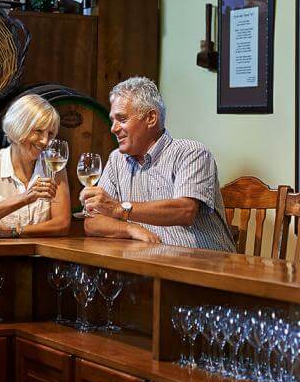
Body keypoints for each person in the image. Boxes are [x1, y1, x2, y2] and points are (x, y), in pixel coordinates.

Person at [80, 76, 236, 252]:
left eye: (122, 119)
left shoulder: (192, 152)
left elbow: (185, 211)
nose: (113, 128)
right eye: (113, 120)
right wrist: (130, 228)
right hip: (148, 266)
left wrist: (118, 208)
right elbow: (93, 222)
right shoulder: (116, 159)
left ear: (151, 118)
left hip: (203, 267)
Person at [0, 94, 70, 239]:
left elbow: (62, 225)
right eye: (38, 131)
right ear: (18, 128)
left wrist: (15, 231)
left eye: (50, 133)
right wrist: (24, 198)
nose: (45, 141)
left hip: (37, 257)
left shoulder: (54, 167)